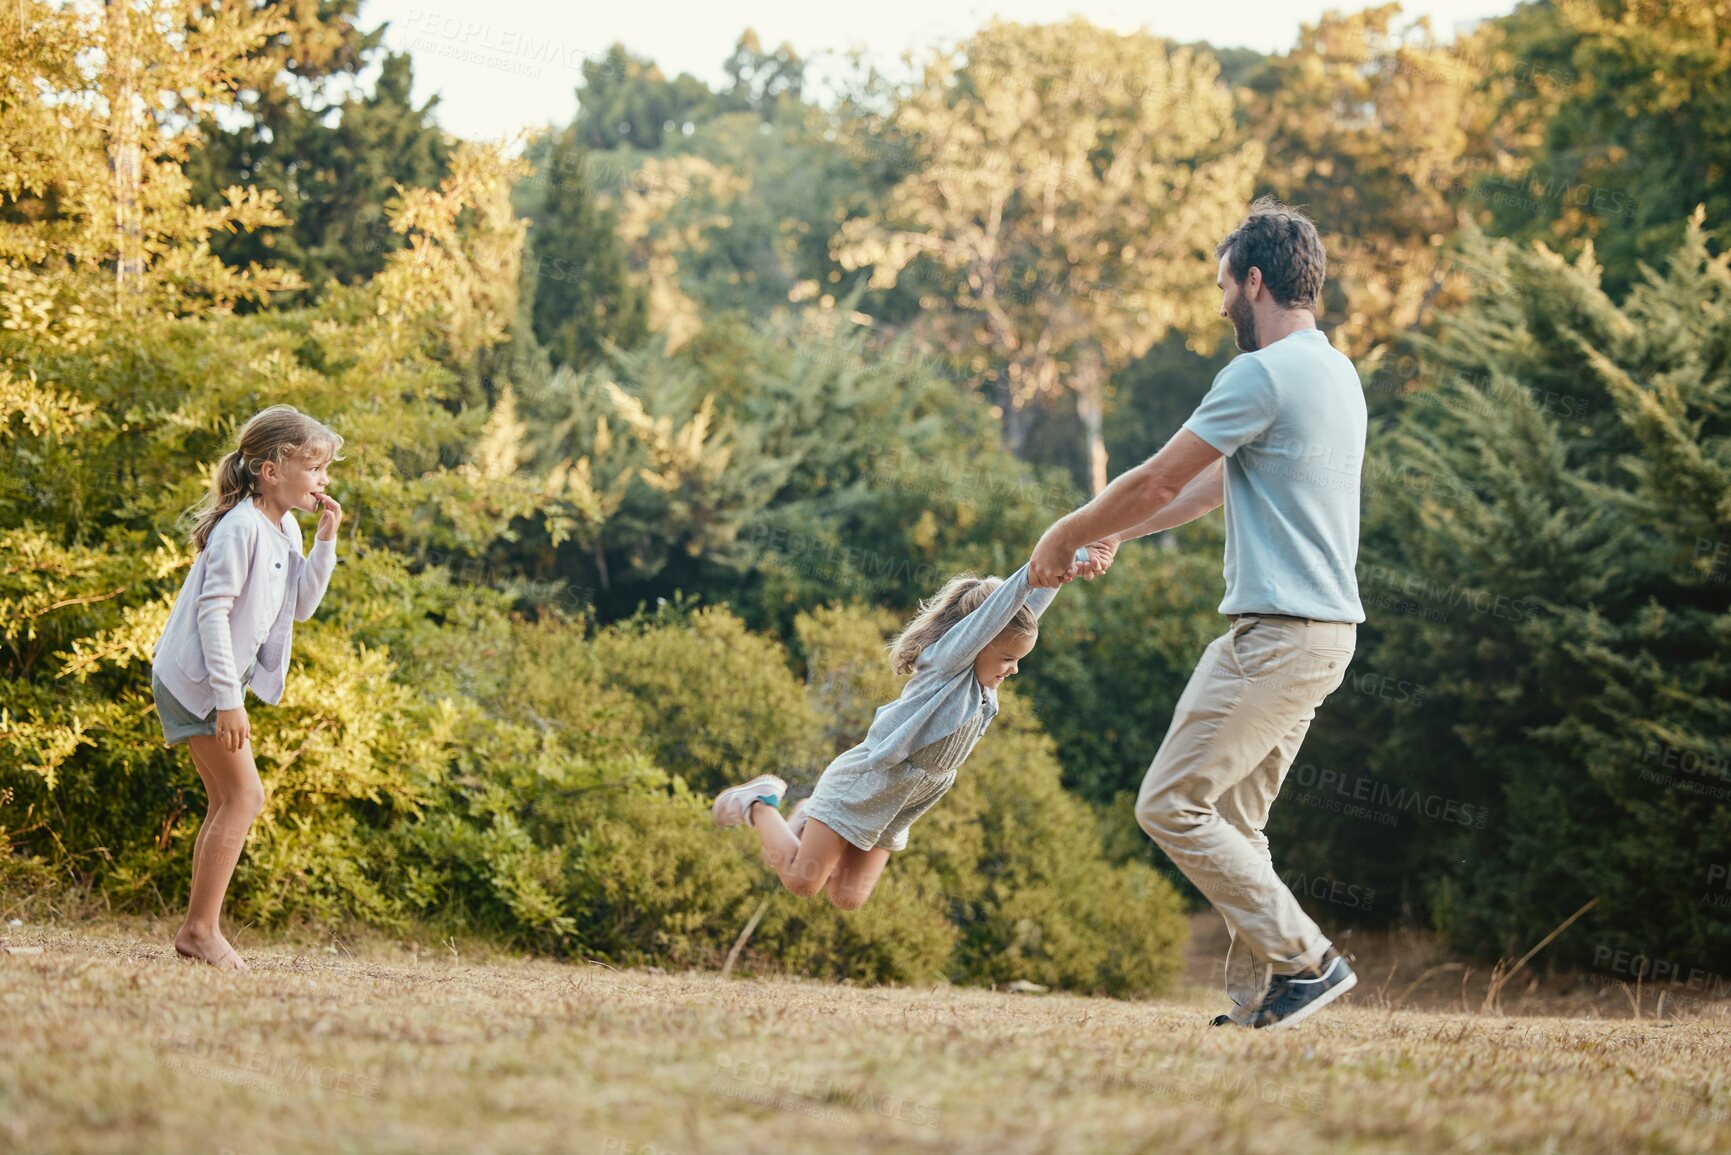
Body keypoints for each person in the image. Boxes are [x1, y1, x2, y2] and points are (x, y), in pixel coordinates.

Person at [1028, 198, 1367, 1030]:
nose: (1219, 305)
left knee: (1170, 805)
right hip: (1323, 636)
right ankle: (1265, 1002)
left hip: (1277, 634)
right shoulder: (1335, 372)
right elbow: (1209, 486)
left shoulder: (1261, 372)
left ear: (1253, 281)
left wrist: (1064, 531)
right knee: (1235, 823)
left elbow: (1150, 477)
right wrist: (1117, 537)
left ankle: (1309, 961)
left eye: (1222, 285)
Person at [711, 549, 1093, 910]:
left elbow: (1030, 605)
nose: (1014, 669)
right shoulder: (949, 664)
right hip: (871, 780)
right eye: (1009, 658)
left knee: (847, 897)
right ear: (977, 641)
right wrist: (1033, 570)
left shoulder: (984, 682)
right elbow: (1005, 606)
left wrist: (1075, 557)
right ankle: (760, 803)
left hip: (909, 796)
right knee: (802, 882)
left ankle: (810, 813)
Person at [150, 405, 344, 968]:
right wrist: (230, 703)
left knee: (227, 800)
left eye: (325, 470)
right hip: (198, 681)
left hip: (207, 681)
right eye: (314, 467)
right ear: (270, 469)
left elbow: (301, 606)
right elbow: (213, 614)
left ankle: (198, 930)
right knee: (245, 796)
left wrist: (325, 541)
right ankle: (199, 932)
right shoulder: (241, 529)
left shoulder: (281, 525)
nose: (323, 480)